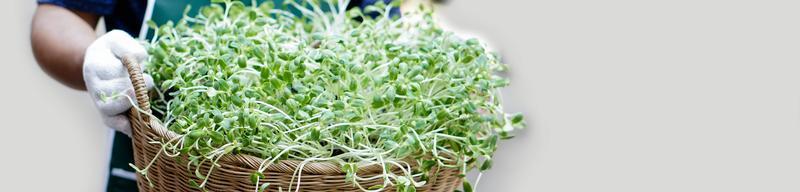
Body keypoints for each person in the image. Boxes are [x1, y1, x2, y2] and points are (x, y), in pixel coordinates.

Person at [31, 0, 399, 191]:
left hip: (307, 172)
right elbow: (58, 17)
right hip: (162, 173)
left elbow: (380, 33)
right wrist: (95, 58)